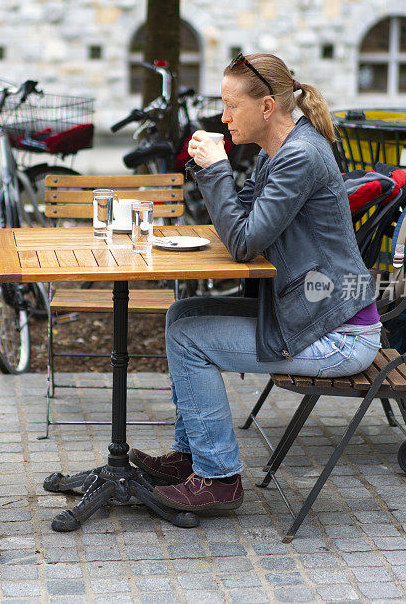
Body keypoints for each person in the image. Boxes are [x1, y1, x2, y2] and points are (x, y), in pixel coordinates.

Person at [129, 53, 381, 513]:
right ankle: (192, 455)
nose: (223, 117)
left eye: (230, 105)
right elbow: (241, 220)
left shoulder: (299, 156)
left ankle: (219, 479)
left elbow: (243, 242)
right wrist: (216, 174)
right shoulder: (277, 151)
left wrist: (216, 169)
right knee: (181, 315)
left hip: (341, 335)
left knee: (188, 338)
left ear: (267, 106)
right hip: (310, 312)